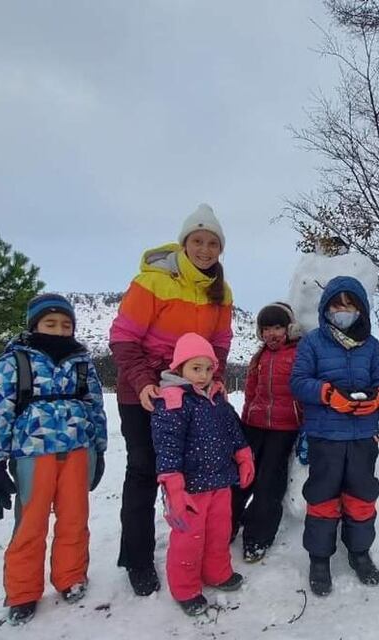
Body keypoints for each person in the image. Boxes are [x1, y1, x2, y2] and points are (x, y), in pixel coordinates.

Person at [109, 204, 233, 596]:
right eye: (198, 241)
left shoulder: (221, 291)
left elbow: (220, 343)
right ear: (184, 243)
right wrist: (144, 382)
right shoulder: (153, 281)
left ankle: (198, 549)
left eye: (212, 243)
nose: (205, 249)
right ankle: (138, 559)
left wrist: (215, 378)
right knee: (144, 471)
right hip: (144, 393)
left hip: (190, 395)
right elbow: (123, 337)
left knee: (192, 472)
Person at [0, 294, 107, 625]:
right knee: (30, 523)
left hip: (78, 451)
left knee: (74, 518)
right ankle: (22, 592)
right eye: (51, 324)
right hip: (32, 454)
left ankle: (71, 576)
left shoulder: (81, 362)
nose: (59, 330)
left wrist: (100, 448)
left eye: (66, 325)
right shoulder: (15, 361)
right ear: (34, 325)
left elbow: (95, 407)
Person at [289, 276, 379, 597]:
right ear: (325, 308)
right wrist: (328, 394)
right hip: (325, 436)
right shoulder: (313, 342)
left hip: (363, 436)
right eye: (337, 305)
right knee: (322, 499)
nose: (343, 311)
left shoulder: (371, 345)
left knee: (362, 498)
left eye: (350, 305)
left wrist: (377, 397)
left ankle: (359, 552)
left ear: (361, 309)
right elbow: (298, 382)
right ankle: (319, 558)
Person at [151, 333, 254, 616]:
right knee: (189, 539)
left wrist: (243, 455)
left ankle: (217, 573)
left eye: (208, 368)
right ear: (179, 368)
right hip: (190, 488)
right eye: (196, 368)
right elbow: (167, 446)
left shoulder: (217, 398)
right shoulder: (173, 401)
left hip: (220, 481)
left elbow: (233, 430)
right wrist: (173, 484)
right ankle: (185, 588)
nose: (203, 375)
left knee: (219, 532)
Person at [232, 302, 303, 563]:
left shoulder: (298, 354)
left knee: (268, 485)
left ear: (289, 329)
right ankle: (227, 525)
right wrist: (245, 421)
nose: (271, 334)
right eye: (266, 329)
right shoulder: (259, 357)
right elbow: (250, 393)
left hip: (283, 429)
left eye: (277, 327)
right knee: (240, 479)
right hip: (254, 426)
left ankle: (257, 538)